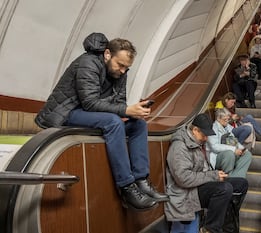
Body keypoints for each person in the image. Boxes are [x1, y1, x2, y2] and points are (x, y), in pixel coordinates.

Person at [35, 32, 168, 211]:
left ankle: (141, 181)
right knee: (113, 122)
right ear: (107, 54)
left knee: (138, 124)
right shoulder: (87, 63)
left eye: (126, 68)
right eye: (120, 65)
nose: (122, 71)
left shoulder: (121, 71)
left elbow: (119, 103)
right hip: (67, 113)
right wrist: (125, 110)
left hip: (92, 112)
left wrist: (132, 112)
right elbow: (89, 103)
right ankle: (127, 189)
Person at [165, 113, 248, 233]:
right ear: (195, 130)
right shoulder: (179, 147)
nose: (206, 139)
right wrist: (213, 175)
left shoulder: (198, 143)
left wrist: (215, 175)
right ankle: (209, 229)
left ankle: (227, 225)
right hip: (188, 191)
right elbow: (183, 179)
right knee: (224, 189)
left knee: (241, 184)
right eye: (204, 135)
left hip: (199, 183)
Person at [207, 108, 253, 178]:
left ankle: (237, 177)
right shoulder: (213, 128)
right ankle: (229, 177)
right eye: (225, 120)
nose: (227, 121)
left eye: (228, 119)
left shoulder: (227, 126)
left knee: (247, 154)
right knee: (229, 153)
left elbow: (234, 141)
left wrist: (242, 149)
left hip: (229, 153)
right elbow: (214, 147)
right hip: (217, 156)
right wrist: (233, 149)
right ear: (218, 119)